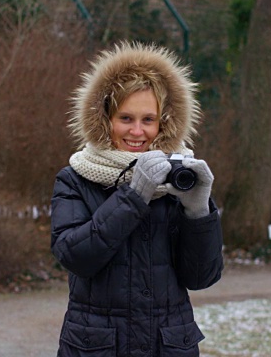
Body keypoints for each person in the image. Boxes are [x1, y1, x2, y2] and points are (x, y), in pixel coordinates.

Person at [50, 41, 224, 356]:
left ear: (164, 123)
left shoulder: (179, 180)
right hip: (97, 346)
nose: (137, 131)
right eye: (126, 118)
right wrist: (134, 195)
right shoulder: (75, 178)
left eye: (148, 119)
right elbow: (75, 257)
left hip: (168, 345)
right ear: (105, 119)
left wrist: (198, 211)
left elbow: (201, 277)